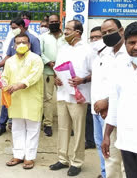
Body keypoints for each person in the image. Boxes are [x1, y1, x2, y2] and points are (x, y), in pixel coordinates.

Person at [50, 20, 92, 177]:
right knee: (62, 128)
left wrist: (83, 80)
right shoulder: (63, 48)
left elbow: (95, 72)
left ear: (78, 32)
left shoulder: (88, 50)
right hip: (62, 94)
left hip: (79, 97)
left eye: (68, 29)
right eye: (65, 29)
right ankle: (62, 159)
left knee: (79, 130)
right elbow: (57, 69)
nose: (65, 32)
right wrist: (56, 78)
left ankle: (77, 161)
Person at [0, 33, 44, 170]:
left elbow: (34, 76)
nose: (21, 45)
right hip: (16, 99)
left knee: (32, 128)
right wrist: (2, 82)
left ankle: (29, 157)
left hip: (32, 98)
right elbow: (5, 76)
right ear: (14, 45)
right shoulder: (10, 61)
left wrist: (20, 85)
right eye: (18, 42)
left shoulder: (36, 59)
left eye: (24, 42)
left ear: (29, 45)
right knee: (17, 128)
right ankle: (18, 155)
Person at [103, 21, 137, 178]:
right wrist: (107, 135)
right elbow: (114, 104)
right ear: (125, 44)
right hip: (127, 140)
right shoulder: (120, 68)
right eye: (132, 43)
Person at [0, 18, 41, 137]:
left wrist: (22, 83)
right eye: (11, 28)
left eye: (14, 27)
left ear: (22, 26)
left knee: (29, 116)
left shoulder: (34, 40)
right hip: (12, 79)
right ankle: (2, 125)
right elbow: (8, 56)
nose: (12, 30)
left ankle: (29, 154)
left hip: (27, 83)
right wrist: (0, 74)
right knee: (8, 103)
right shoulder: (13, 40)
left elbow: (36, 61)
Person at [98, 19, 129, 178]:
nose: (107, 35)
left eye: (110, 31)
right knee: (110, 158)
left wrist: (107, 103)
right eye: (104, 33)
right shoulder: (106, 54)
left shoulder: (131, 53)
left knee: (127, 162)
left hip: (128, 115)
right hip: (108, 115)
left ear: (121, 31)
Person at [40, 14, 66, 137]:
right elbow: (40, 52)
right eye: (52, 22)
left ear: (60, 22)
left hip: (64, 73)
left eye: (56, 21)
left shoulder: (66, 37)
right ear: (48, 23)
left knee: (65, 98)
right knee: (48, 99)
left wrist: (60, 65)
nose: (54, 23)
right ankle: (48, 124)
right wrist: (49, 62)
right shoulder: (43, 37)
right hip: (48, 72)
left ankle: (66, 124)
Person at [90, 26, 107, 178]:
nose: (95, 40)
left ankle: (110, 173)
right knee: (98, 142)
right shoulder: (96, 58)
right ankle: (104, 172)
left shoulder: (112, 57)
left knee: (109, 144)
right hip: (94, 108)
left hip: (106, 109)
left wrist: (107, 102)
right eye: (92, 38)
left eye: (98, 37)